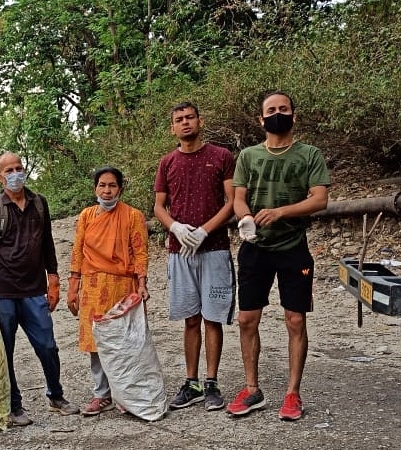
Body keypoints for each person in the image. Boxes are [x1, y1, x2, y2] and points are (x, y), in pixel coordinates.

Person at [226, 90, 330, 421]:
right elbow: (239, 198)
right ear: (261, 119)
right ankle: (252, 388)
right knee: (246, 319)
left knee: (295, 319)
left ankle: (292, 393)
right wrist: (245, 218)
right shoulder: (249, 156)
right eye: (271, 110)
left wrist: (281, 212)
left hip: (292, 247)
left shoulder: (309, 155)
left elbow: (320, 200)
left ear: (293, 115)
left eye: (283, 109)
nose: (277, 113)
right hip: (255, 248)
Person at [0, 152, 80, 426]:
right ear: (0, 177)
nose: (15, 173)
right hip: (5, 293)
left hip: (35, 290)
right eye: (8, 170)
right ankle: (14, 406)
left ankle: (56, 396)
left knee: (48, 346)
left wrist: (54, 280)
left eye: (18, 167)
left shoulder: (39, 203)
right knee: (5, 351)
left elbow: (47, 243)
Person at [153, 101, 236, 412]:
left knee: (213, 318)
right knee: (191, 318)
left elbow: (231, 201)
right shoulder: (167, 163)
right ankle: (192, 383)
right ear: (172, 127)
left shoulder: (221, 157)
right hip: (180, 250)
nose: (185, 123)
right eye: (179, 119)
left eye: (190, 117)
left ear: (200, 121)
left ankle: (211, 381)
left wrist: (204, 230)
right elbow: (159, 206)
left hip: (214, 248)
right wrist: (175, 227)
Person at [67, 166, 150, 416]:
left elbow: (140, 251)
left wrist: (142, 283)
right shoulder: (86, 216)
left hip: (122, 286)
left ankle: (125, 394)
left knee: (123, 341)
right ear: (95, 189)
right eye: (102, 185)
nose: (107, 190)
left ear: (120, 189)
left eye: (112, 185)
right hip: (92, 286)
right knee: (96, 342)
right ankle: (101, 394)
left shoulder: (133, 216)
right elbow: (77, 251)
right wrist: (73, 288)